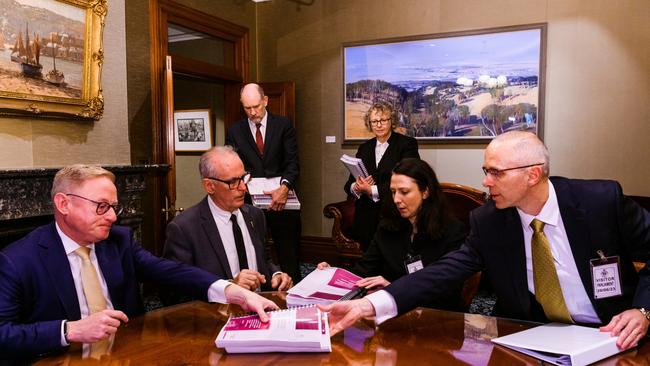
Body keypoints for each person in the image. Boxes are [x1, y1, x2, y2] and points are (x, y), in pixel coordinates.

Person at [320, 131, 650, 351]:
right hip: (534, 336)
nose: (485, 181)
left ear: (532, 174)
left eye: (496, 172)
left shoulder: (600, 201)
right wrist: (369, 304)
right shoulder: (489, 220)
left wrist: (643, 309)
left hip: (613, 334)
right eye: (485, 170)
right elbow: (444, 271)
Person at [0, 165, 278, 359]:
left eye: (114, 207)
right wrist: (68, 329)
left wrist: (233, 291)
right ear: (64, 204)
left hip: (127, 354)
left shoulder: (118, 241)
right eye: (101, 206)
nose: (112, 217)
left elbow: (170, 271)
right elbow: (3, 334)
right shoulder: (17, 260)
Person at [320, 158, 466, 310]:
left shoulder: (452, 231)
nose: (396, 199)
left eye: (404, 192)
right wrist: (332, 274)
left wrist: (393, 290)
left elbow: (447, 294)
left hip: (439, 318)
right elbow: (363, 271)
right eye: (393, 192)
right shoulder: (387, 227)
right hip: (393, 315)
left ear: (425, 192)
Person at [164, 146, 292, 292]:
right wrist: (228, 287)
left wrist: (276, 274)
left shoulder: (255, 215)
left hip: (261, 309)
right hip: (217, 313)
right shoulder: (184, 228)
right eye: (233, 182)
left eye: (244, 178)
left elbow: (264, 259)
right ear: (210, 186)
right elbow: (174, 291)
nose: (243, 187)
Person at [226, 83, 302, 281]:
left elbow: (293, 163)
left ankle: (294, 296)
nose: (252, 112)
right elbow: (232, 164)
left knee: (289, 253)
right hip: (251, 202)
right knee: (255, 250)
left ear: (265, 101)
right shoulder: (235, 130)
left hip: (282, 200)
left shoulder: (283, 125)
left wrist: (284, 188)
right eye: (247, 108)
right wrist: (244, 179)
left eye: (256, 107)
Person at [344, 102, 420, 248]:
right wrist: (357, 186)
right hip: (366, 218)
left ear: (392, 121)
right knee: (368, 265)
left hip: (394, 215)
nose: (379, 125)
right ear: (369, 124)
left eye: (383, 120)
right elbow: (348, 185)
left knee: (393, 264)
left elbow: (409, 181)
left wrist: (372, 190)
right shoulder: (364, 148)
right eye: (374, 121)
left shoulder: (407, 144)